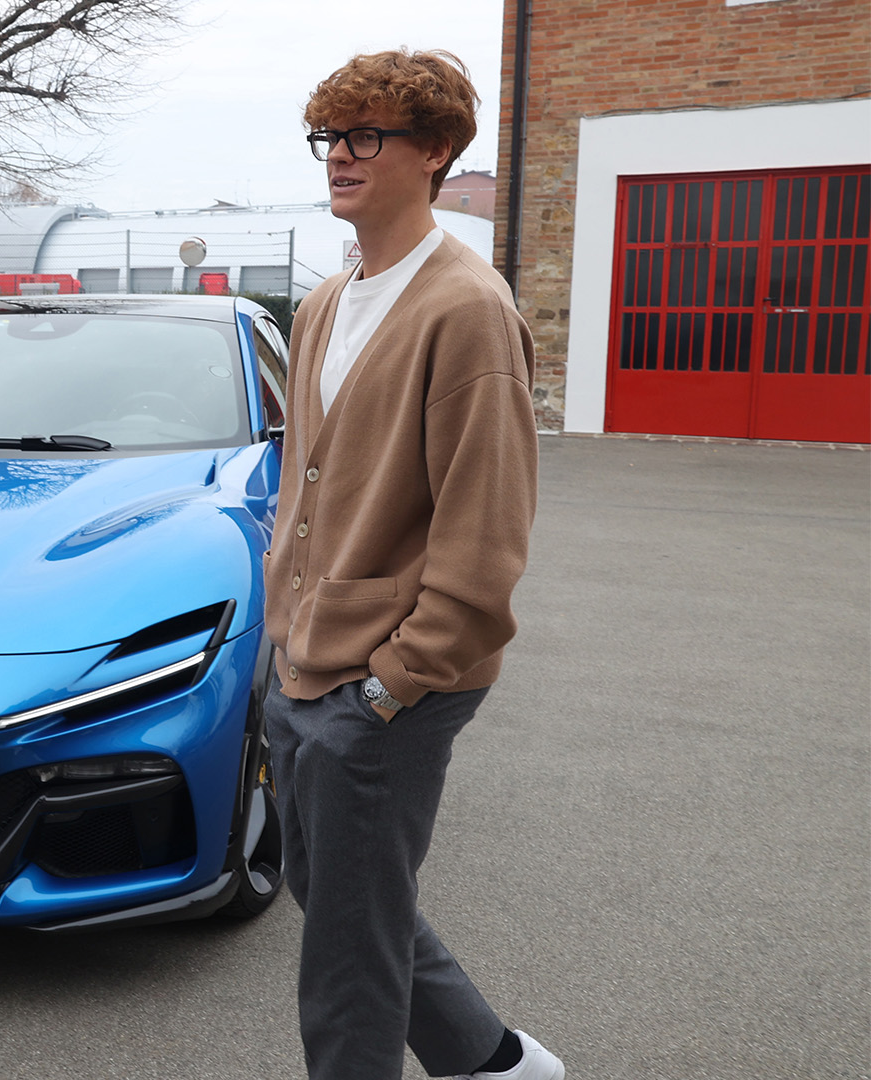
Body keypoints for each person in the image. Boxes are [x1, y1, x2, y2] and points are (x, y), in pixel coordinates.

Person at [260, 50, 564, 1080]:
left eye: (367, 135)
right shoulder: (323, 304)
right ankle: (492, 1062)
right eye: (331, 136)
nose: (339, 157)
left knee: (347, 950)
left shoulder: (466, 310)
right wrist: (282, 641)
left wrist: (392, 685)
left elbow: (487, 533)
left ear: (435, 151)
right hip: (307, 664)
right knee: (335, 891)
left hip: (392, 681)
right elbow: (303, 492)